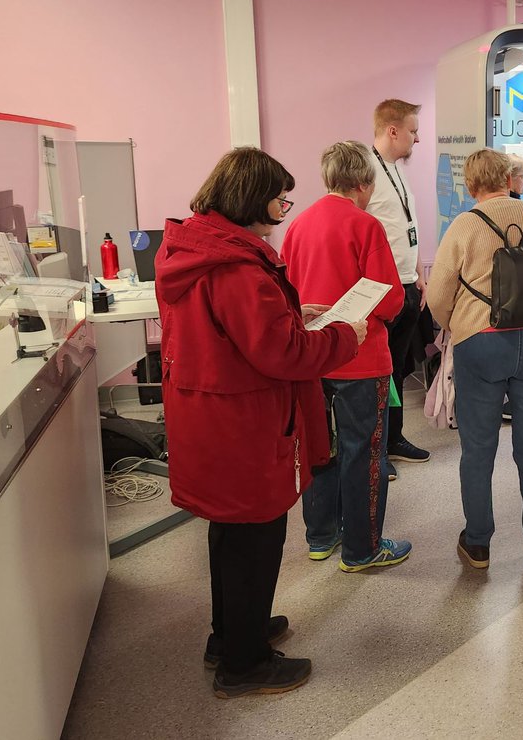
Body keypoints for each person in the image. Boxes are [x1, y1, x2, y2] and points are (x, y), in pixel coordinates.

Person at [155, 148, 366, 699]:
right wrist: (345, 336)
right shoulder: (238, 267)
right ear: (255, 199)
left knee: (228, 531)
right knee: (257, 535)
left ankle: (229, 636)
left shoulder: (196, 249)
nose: (283, 209)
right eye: (280, 198)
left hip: (210, 414)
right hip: (244, 422)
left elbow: (242, 334)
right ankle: (244, 665)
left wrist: (299, 315)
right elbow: (283, 355)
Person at [427, 148, 523, 571]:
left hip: (480, 342)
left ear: (471, 185)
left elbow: (438, 297)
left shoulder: (464, 225)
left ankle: (478, 544)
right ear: (510, 178)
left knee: (477, 449)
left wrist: (457, 326)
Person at [281, 141, 412, 572]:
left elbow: (285, 293)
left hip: (309, 356)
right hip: (359, 358)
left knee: (319, 447)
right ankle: (362, 548)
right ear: (364, 182)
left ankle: (320, 536)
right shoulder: (365, 225)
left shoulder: (297, 226)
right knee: (364, 453)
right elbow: (391, 300)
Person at [367, 99, 431, 477]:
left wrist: (420, 273)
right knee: (380, 374)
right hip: (382, 290)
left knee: (398, 368)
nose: (417, 138)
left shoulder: (396, 168)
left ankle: (396, 438)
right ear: (393, 131)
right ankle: (378, 449)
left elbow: (407, 227)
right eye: (412, 130)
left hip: (408, 284)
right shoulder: (367, 171)